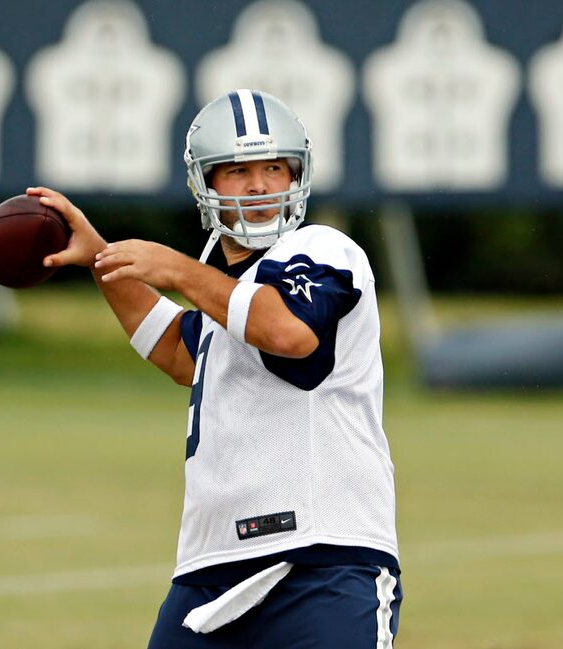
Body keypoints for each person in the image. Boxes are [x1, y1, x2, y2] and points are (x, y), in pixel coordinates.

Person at [27, 89, 402, 648]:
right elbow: (180, 352)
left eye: (274, 168)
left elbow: (287, 332)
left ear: (297, 173)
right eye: (237, 171)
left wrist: (176, 270)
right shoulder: (220, 287)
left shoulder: (324, 247)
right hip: (212, 567)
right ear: (205, 183)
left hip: (324, 559)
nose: (258, 185)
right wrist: (103, 259)